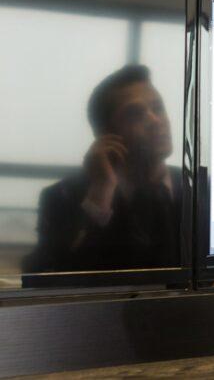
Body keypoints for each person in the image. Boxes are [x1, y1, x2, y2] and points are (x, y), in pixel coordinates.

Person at [23, 65, 182, 274]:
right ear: (106, 136)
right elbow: (45, 274)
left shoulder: (202, 188)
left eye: (158, 108)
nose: (156, 121)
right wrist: (100, 192)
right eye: (135, 114)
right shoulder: (62, 196)